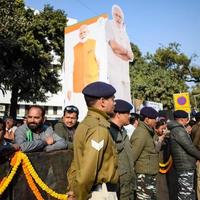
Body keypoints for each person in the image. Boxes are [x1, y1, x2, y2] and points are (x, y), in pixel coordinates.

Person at [67, 81, 119, 200]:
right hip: (98, 193)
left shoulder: (85, 124)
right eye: (112, 99)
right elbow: (88, 169)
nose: (114, 103)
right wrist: (80, 196)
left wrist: (73, 189)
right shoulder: (98, 128)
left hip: (89, 191)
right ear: (102, 102)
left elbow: (76, 164)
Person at [167, 110, 200, 200]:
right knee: (185, 193)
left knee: (188, 192)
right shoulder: (178, 130)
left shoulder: (177, 129)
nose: (188, 121)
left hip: (186, 165)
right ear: (181, 120)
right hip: (185, 166)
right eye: (186, 119)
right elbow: (189, 147)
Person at [106, 4, 134, 103]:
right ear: (112, 15)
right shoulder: (109, 24)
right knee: (117, 99)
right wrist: (125, 53)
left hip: (125, 74)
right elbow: (114, 46)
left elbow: (131, 56)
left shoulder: (125, 34)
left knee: (127, 100)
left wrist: (124, 53)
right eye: (116, 15)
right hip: (114, 71)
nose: (118, 18)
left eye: (120, 16)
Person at [130, 106, 159, 200]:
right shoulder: (141, 133)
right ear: (147, 119)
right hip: (143, 176)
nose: (156, 121)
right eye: (154, 118)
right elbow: (132, 156)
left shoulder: (148, 131)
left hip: (148, 174)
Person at [109, 99, 136, 200]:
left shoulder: (122, 131)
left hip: (128, 183)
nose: (130, 116)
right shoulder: (109, 132)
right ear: (118, 114)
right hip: (118, 185)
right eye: (127, 113)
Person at [72, 24, 99, 94]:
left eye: (84, 32)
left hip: (92, 81)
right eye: (80, 33)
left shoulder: (94, 43)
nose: (82, 34)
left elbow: (99, 61)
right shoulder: (75, 47)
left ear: (88, 32)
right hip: (78, 85)